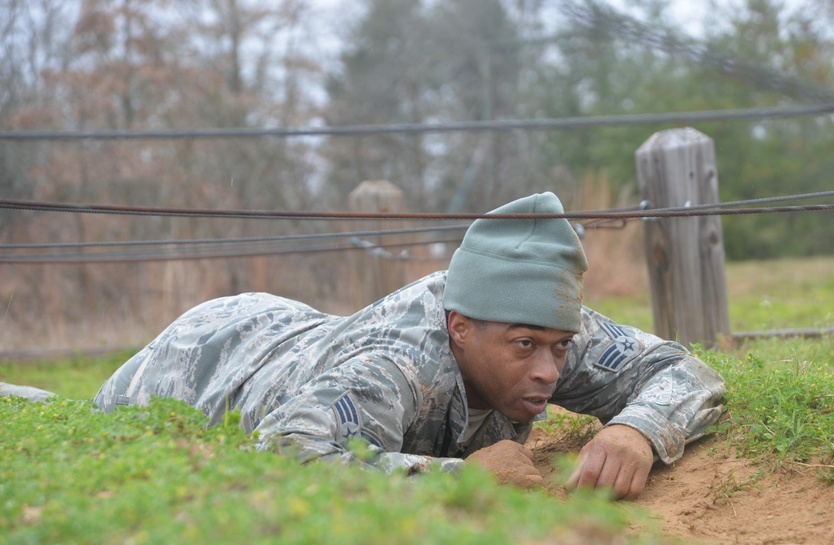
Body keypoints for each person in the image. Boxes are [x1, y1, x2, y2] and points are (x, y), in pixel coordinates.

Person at [10, 192, 725, 500]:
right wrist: (460, 480)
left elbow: (680, 368)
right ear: (460, 328)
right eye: (526, 347)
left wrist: (638, 430)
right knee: (83, 424)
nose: (548, 369)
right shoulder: (397, 366)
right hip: (208, 359)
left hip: (298, 331)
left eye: (560, 347)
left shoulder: (533, 315)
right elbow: (292, 450)